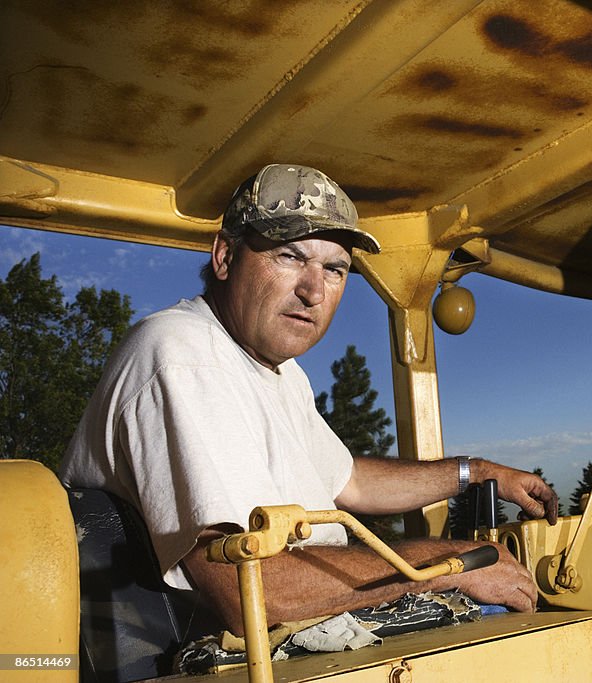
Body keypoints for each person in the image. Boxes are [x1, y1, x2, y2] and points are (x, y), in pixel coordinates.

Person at [60, 164, 558, 635]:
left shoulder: (279, 372)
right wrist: (446, 564)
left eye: (336, 269)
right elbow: (249, 590)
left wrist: (476, 473)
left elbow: (354, 482)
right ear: (225, 256)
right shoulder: (182, 355)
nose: (313, 291)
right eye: (290, 256)